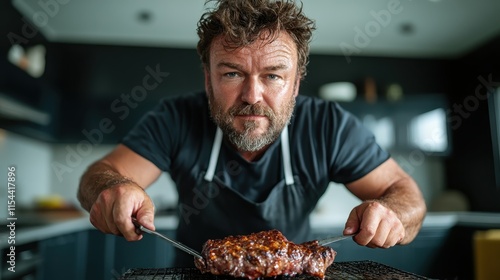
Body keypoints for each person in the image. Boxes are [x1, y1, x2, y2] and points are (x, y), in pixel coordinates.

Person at [78, 0, 426, 267]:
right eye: (231, 74)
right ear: (208, 78)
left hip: (292, 272)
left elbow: (406, 195)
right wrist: (111, 189)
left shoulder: (329, 126)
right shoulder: (176, 118)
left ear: (296, 83)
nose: (252, 96)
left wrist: (391, 211)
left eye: (273, 76)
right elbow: (98, 176)